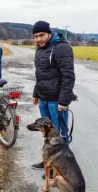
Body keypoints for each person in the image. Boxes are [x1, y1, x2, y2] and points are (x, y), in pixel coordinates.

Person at [31, 21, 76, 179]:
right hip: (44, 98)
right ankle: (48, 162)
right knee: (48, 135)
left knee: (59, 136)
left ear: (49, 33)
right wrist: (36, 93)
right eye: (36, 36)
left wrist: (64, 101)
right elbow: (40, 74)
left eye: (41, 35)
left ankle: (60, 168)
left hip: (57, 101)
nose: (38, 39)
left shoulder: (61, 48)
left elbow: (68, 76)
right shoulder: (40, 48)